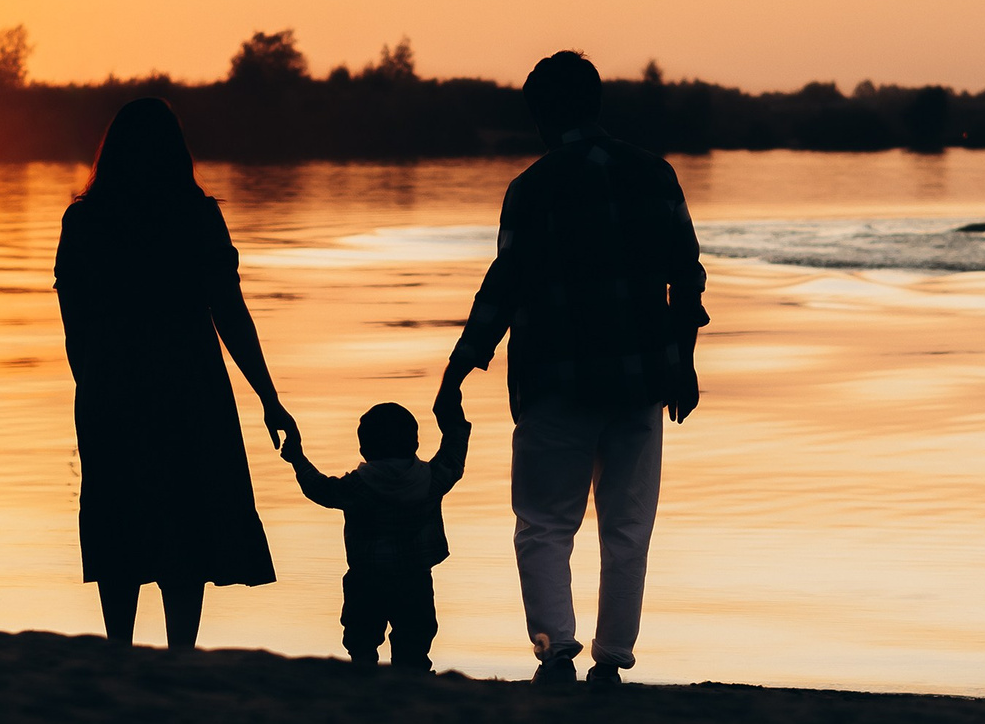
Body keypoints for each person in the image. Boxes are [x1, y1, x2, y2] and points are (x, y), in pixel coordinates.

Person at [434, 50, 708, 687]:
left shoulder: (532, 189)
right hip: (640, 379)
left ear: (541, 115)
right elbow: (686, 278)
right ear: (597, 104)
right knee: (628, 525)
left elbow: (504, 286)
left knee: (545, 521)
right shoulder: (655, 174)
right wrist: (682, 366)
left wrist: (459, 369)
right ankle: (611, 661)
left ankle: (556, 650)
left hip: (555, 380)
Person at [54, 97, 298, 650]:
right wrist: (269, 397)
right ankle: (179, 655)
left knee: (118, 516)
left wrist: (91, 388)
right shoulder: (196, 216)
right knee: (185, 519)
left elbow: (75, 325)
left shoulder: (85, 220)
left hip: (111, 386)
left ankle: (119, 648)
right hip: (190, 387)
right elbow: (230, 314)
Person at [281, 400, 470, 672]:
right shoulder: (430, 480)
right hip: (414, 579)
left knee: (361, 640)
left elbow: (319, 489)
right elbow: (454, 452)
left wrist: (297, 458)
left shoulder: (357, 487)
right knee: (414, 642)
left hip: (366, 579)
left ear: (364, 449)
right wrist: (453, 413)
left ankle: (364, 675)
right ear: (414, 444)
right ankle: (412, 681)